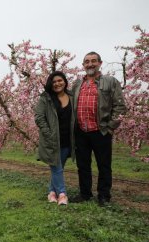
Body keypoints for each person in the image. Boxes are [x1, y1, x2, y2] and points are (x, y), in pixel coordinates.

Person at [71, 51, 126, 206]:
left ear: (100, 63)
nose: (90, 64)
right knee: (83, 165)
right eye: (87, 61)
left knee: (104, 165)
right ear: (83, 65)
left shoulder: (110, 81)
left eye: (93, 61)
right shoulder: (77, 84)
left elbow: (120, 107)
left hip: (101, 131)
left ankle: (103, 195)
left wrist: (110, 128)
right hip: (81, 131)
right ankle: (85, 194)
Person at [35, 71, 74, 205]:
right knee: (56, 167)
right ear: (50, 84)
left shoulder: (72, 96)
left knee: (59, 167)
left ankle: (52, 192)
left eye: (60, 80)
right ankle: (62, 194)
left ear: (65, 81)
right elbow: (39, 117)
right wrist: (48, 133)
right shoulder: (46, 98)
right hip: (52, 140)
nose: (57, 83)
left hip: (67, 139)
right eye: (54, 81)